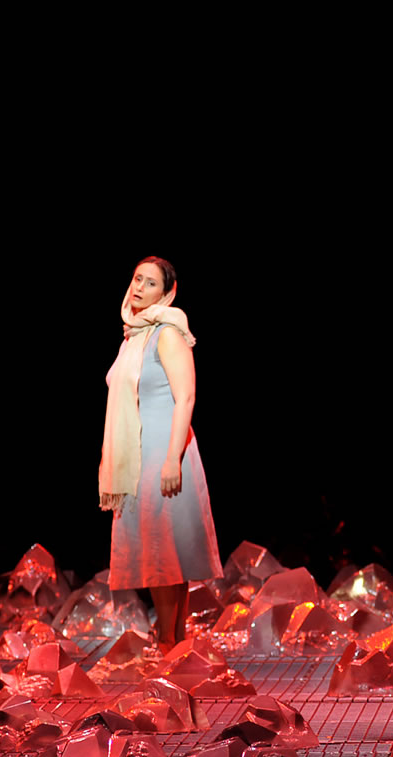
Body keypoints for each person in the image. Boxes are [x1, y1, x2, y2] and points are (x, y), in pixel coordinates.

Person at [98, 257, 222, 652]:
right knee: (162, 550)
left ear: (167, 293)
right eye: (137, 279)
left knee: (162, 553)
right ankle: (175, 642)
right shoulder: (134, 336)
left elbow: (186, 397)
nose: (139, 288)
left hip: (164, 450)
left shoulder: (167, 332)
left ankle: (169, 642)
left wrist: (172, 458)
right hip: (141, 453)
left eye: (150, 283)